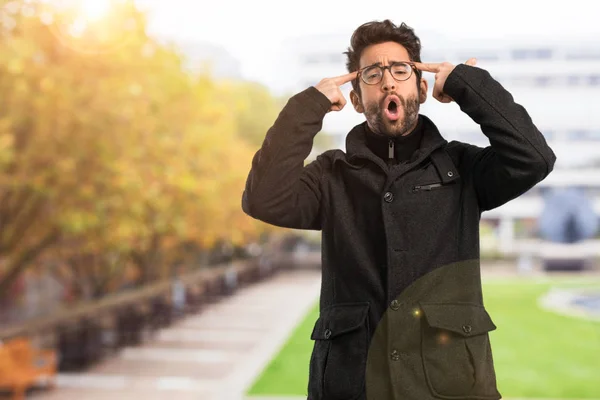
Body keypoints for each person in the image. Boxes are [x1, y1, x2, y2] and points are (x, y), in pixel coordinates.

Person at [241, 19, 556, 400]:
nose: (388, 81)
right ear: (356, 99)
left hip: (452, 385)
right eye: (373, 74)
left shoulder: (464, 169)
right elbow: (264, 197)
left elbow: (534, 158)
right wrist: (308, 106)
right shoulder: (331, 176)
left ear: (421, 89)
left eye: (400, 70)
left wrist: (468, 85)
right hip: (350, 385)